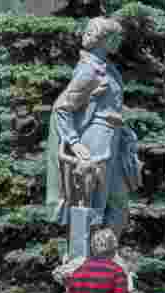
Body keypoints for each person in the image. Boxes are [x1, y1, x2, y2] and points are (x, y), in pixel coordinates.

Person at [47, 16, 141, 231]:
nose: (119, 41)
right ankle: (86, 257)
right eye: (115, 37)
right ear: (103, 39)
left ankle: (107, 253)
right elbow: (63, 107)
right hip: (97, 139)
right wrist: (74, 142)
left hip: (114, 137)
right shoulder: (89, 69)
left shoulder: (106, 67)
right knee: (93, 204)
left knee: (119, 201)